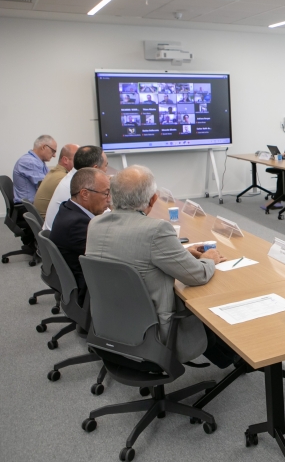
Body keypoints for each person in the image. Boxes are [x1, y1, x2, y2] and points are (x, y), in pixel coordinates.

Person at [85, 165, 237, 368]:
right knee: (204, 301)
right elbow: (197, 275)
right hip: (154, 333)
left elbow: (134, 255)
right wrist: (209, 258)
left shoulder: (95, 224)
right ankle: (237, 358)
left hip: (110, 323)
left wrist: (180, 253)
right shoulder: (156, 230)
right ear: (153, 199)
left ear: (112, 195)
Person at [50, 168, 111, 305]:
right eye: (106, 193)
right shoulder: (77, 224)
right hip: (89, 292)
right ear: (84, 194)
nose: (109, 199)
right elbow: (110, 256)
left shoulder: (68, 208)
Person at [44, 146, 108, 231]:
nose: (107, 170)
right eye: (106, 165)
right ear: (95, 169)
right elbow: (105, 216)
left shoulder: (74, 178)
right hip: (69, 234)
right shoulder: (77, 186)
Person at [33, 143, 78, 217]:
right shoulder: (63, 179)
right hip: (49, 223)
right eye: (77, 159)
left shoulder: (55, 172)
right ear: (65, 160)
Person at [13, 135, 56, 204]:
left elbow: (50, 179)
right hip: (27, 207)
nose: (54, 155)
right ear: (44, 147)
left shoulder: (39, 161)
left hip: (32, 205)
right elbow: (45, 186)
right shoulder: (29, 162)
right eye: (53, 151)